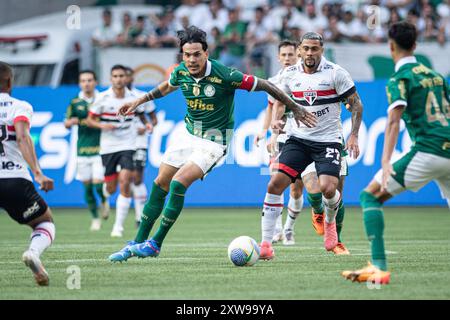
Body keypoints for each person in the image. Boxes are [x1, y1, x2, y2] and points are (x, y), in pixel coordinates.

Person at [108, 26, 316, 262]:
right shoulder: (181, 71)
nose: (192, 59)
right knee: (159, 184)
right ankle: (136, 242)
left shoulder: (225, 75)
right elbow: (168, 85)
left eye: (197, 54)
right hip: (187, 135)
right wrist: (140, 100)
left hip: (215, 140)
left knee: (178, 184)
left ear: (206, 53)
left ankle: (155, 244)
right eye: (187, 55)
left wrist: (296, 108)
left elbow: (268, 85)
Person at [342, 21, 450, 284]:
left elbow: (393, 121)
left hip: (428, 150)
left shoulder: (399, 78)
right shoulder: (436, 77)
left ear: (390, 46)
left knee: (370, 197)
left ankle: (378, 268)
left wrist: (386, 160)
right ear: (415, 45)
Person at [259, 32, 363, 260]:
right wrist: (277, 124)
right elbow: (281, 103)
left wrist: (354, 135)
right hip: (298, 139)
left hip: (328, 140)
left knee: (328, 188)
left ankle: (329, 223)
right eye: (305, 49)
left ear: (321, 50)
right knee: (275, 183)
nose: (309, 53)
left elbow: (356, 105)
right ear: (299, 50)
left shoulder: (336, 73)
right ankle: (266, 244)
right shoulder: (290, 75)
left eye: (314, 49)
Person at [0, 61, 55, 286]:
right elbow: (22, 137)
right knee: (45, 222)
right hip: (14, 179)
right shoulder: (19, 106)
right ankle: (33, 253)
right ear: (11, 81)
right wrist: (38, 173)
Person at [86, 65, 152, 238]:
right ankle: (106, 198)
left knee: (126, 181)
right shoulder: (102, 98)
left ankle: (118, 227)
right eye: (115, 76)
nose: (119, 79)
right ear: (111, 79)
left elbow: (142, 115)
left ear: (127, 78)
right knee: (111, 187)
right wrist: (102, 125)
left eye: (122, 75)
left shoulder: (135, 98)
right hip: (108, 147)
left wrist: (146, 125)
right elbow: (89, 120)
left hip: (128, 145)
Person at [254, 40, 304, 246]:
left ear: (297, 56)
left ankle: (289, 228)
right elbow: (271, 108)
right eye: (283, 55)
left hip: (301, 137)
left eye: (290, 55)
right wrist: (264, 131)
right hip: (280, 137)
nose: (287, 59)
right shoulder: (273, 81)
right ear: (278, 57)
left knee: (296, 189)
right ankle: (275, 231)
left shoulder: (305, 79)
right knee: (275, 180)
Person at [64, 70, 109, 231]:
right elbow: (66, 123)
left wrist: (83, 121)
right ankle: (95, 218)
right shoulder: (75, 102)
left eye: (89, 80)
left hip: (100, 149)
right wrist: (71, 121)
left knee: (98, 185)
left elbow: (107, 118)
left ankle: (104, 201)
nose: (87, 83)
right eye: (83, 80)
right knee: (87, 187)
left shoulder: (103, 99)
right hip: (82, 149)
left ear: (95, 82)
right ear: (79, 83)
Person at [125, 67, 158, 228]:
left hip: (139, 142)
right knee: (123, 180)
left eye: (128, 76)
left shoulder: (142, 97)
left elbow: (154, 120)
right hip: (118, 144)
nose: (125, 79)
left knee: (137, 178)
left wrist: (146, 127)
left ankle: (140, 216)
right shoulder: (109, 99)